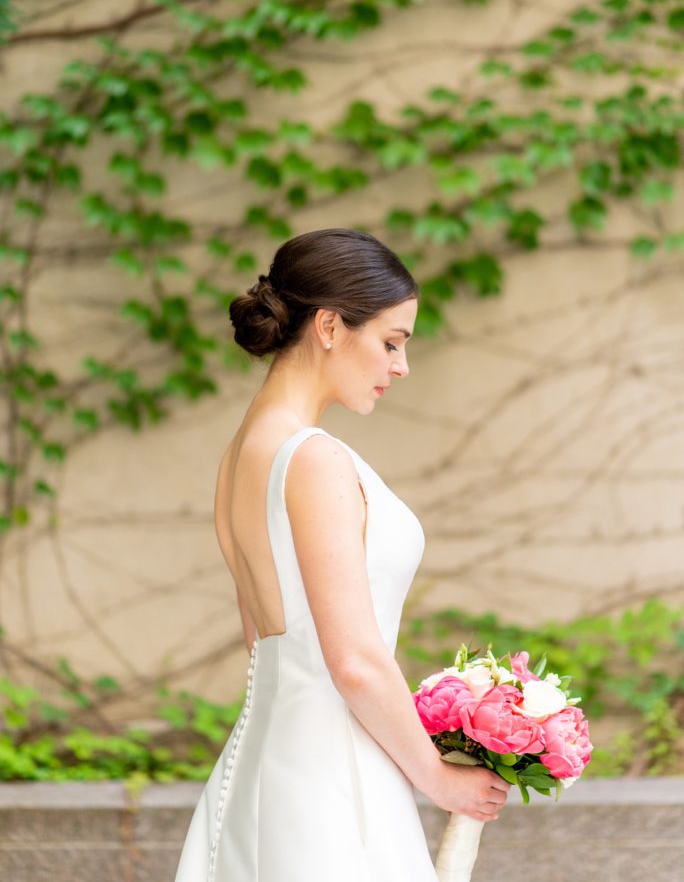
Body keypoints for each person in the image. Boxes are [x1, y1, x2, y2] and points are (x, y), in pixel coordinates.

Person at [174, 228, 509, 882]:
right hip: (333, 780)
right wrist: (438, 778)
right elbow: (353, 661)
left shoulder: (240, 457)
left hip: (266, 765)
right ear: (329, 325)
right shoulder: (313, 460)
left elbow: (263, 645)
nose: (400, 366)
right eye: (391, 342)